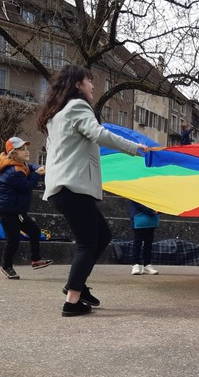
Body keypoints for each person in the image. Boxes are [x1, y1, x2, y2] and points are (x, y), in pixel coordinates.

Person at [37, 64, 150, 317]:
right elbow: (99, 133)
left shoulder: (57, 113)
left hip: (62, 188)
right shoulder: (78, 106)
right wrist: (136, 148)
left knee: (102, 235)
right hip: (72, 187)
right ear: (78, 84)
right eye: (89, 81)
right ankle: (72, 300)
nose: (93, 86)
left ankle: (76, 285)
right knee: (88, 243)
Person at [0, 136, 53, 280]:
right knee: (13, 240)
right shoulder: (13, 172)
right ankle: (6, 267)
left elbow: (31, 166)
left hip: (17, 211)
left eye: (26, 148)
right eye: (22, 150)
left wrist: (36, 167)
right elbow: (27, 186)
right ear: (13, 154)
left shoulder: (20, 164)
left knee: (34, 231)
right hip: (7, 212)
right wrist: (37, 174)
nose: (26, 151)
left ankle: (36, 260)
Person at [129, 200, 160, 275]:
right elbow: (137, 203)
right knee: (138, 243)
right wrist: (152, 211)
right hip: (140, 217)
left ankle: (147, 264)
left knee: (148, 243)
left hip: (148, 219)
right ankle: (136, 264)